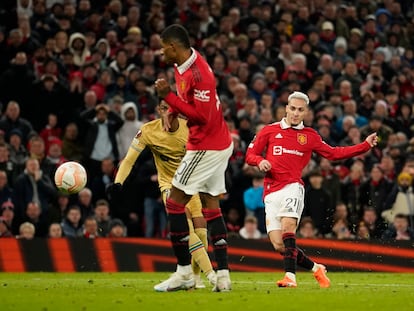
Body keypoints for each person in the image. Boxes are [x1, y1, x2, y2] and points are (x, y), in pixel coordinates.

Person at [245, 91, 378, 288]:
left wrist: (364, 146)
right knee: (279, 245)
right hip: (271, 191)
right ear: (286, 108)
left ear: (306, 112)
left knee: (288, 227)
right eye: (292, 108)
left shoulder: (310, 136)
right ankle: (316, 268)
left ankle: (290, 276)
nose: (296, 113)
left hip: (293, 186)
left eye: (300, 110)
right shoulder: (269, 130)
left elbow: (334, 153)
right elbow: (250, 154)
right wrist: (260, 160)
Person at [153, 24, 233, 292]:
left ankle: (184, 272)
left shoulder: (199, 74)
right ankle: (223, 276)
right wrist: (176, 109)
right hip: (219, 142)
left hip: (206, 147)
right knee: (211, 205)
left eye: (163, 46)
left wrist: (169, 99)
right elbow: (193, 106)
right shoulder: (183, 66)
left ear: (173, 47)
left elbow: (202, 116)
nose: (160, 51)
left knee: (175, 203)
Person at [110, 101, 218, 291]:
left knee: (201, 231)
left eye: (174, 107)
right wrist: (118, 182)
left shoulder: (191, 129)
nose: (170, 111)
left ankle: (194, 278)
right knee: (186, 228)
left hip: (190, 185)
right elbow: (128, 160)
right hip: (169, 185)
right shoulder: (148, 131)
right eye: (165, 107)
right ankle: (212, 275)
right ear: (159, 110)